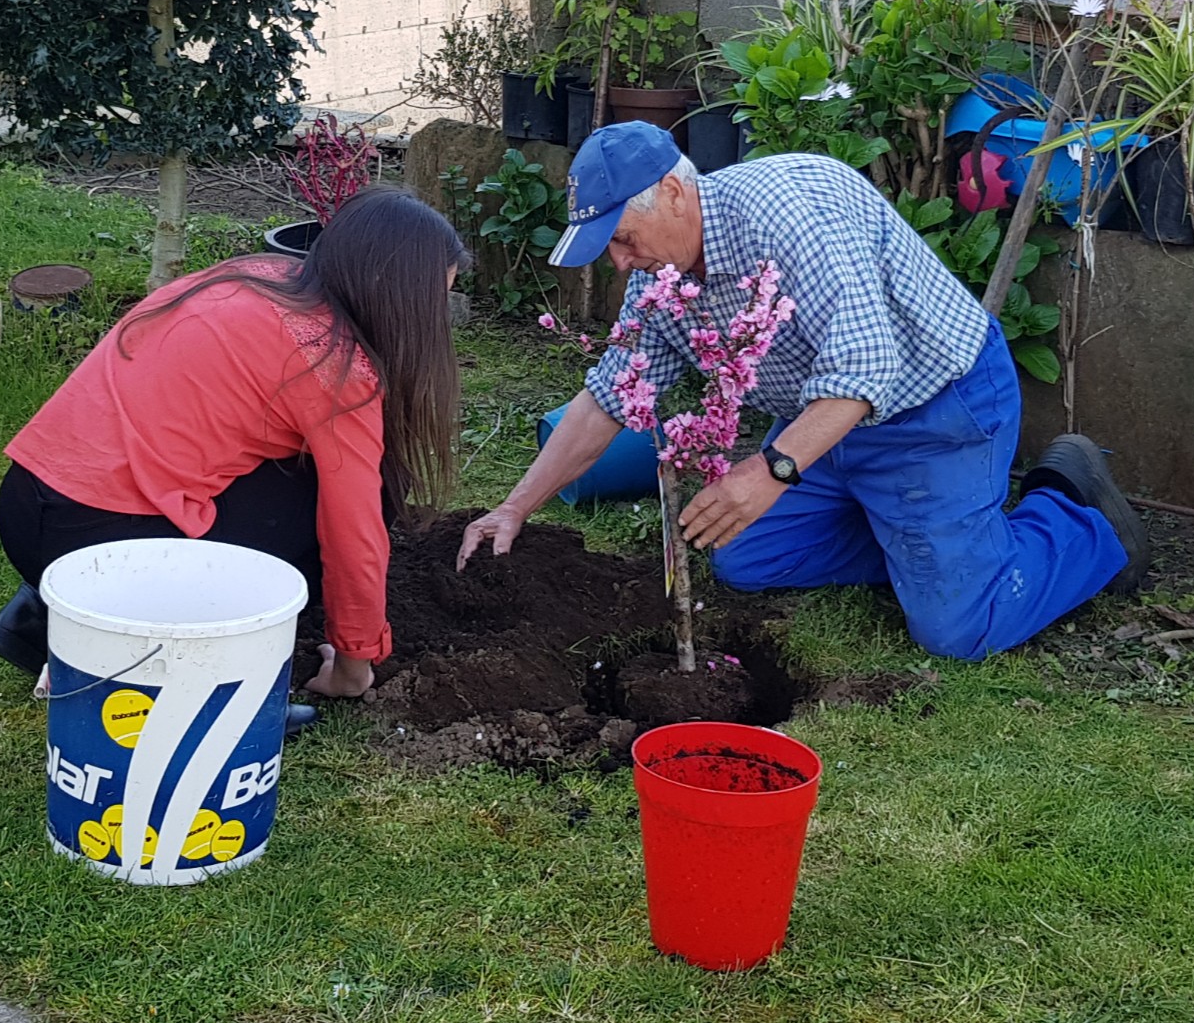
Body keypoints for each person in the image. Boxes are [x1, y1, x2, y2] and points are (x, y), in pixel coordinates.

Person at [459, 122, 1148, 659]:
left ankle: (1076, 519)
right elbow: (611, 395)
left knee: (960, 629)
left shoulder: (791, 216)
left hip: (934, 410)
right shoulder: (659, 278)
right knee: (744, 556)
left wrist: (774, 469)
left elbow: (865, 370)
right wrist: (515, 508)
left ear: (672, 193)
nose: (619, 262)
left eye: (624, 239)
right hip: (822, 429)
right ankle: (918, 541)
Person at [0, 187, 466, 708]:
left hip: (28, 509)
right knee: (371, 489)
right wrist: (355, 664)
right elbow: (355, 534)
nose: (438, 317)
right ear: (395, 293)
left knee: (306, 469)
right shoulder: (333, 365)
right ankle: (186, 672)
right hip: (110, 547)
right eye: (435, 299)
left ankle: (54, 616)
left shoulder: (256, 275)